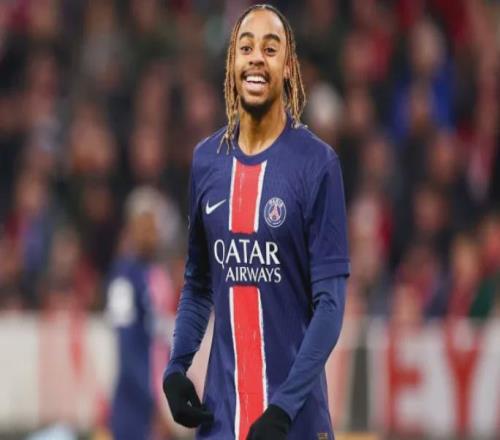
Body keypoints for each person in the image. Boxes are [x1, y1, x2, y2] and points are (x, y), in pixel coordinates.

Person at [163, 4, 350, 440]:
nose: (256, 59)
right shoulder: (206, 162)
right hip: (222, 421)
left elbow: (330, 307)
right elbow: (199, 284)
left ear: (288, 67)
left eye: (270, 48)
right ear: (232, 64)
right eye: (246, 48)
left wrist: (283, 409)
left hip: (294, 423)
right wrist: (176, 367)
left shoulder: (318, 165)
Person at [106, 187, 177, 440]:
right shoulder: (123, 278)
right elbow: (126, 346)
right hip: (135, 404)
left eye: (154, 226)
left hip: (159, 394)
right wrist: (153, 401)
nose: (151, 233)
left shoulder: (157, 273)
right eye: (144, 225)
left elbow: (163, 337)